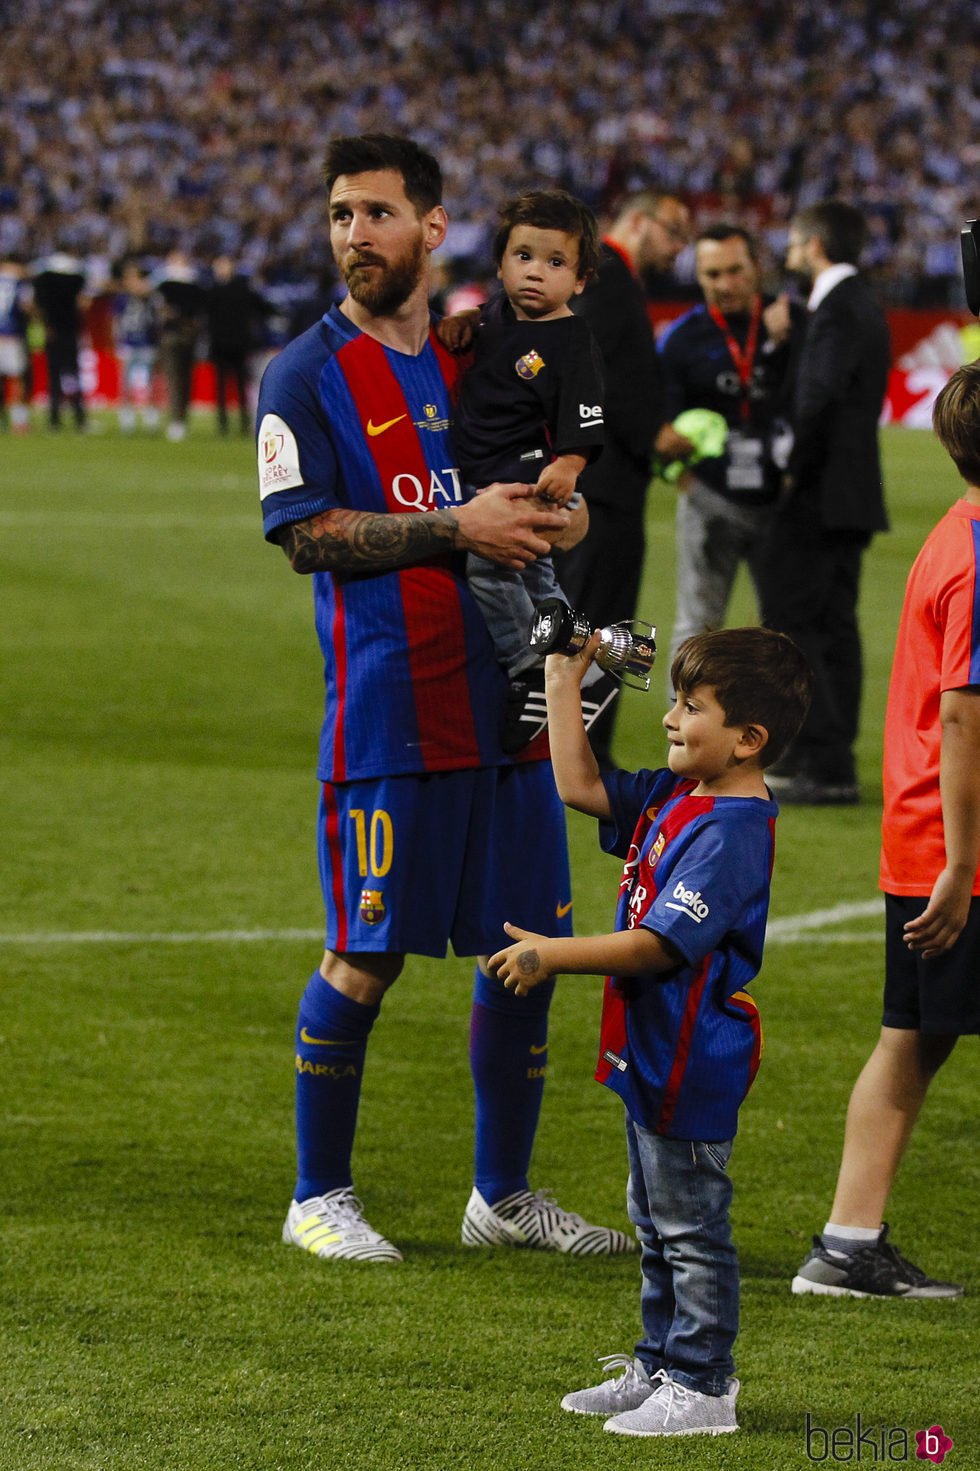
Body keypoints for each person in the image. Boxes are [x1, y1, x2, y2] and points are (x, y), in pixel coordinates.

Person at [256, 132, 636, 1264]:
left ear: (432, 227)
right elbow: (305, 536)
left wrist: (548, 517)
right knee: (363, 953)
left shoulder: (485, 352)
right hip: (389, 707)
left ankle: (500, 1196)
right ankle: (316, 1194)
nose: (353, 235)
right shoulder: (303, 375)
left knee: (525, 948)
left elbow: (538, 482)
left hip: (509, 705)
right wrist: (451, 526)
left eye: (375, 213)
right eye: (337, 215)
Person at [491, 625, 812, 1437]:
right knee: (653, 1217)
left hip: (691, 1059)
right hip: (651, 1050)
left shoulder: (734, 832)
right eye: (673, 698)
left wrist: (551, 953)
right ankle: (660, 1361)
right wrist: (565, 679)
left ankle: (703, 1384)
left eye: (691, 705)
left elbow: (659, 944)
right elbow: (579, 785)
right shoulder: (684, 794)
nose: (670, 718)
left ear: (748, 739)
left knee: (691, 1227)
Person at [790, 362, 980, 1301]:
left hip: (922, 834)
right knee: (910, 1036)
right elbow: (960, 717)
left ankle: (846, 1241)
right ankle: (844, 1244)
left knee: (911, 1036)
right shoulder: (979, 556)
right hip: (956, 850)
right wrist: (962, 865)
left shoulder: (956, 534)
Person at [450, 189, 608, 752]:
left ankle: (528, 669)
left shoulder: (572, 338)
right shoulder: (495, 314)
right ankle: (583, 670)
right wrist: (465, 321)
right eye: (523, 257)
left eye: (555, 262)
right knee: (536, 580)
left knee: (489, 566)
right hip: (490, 473)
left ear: (581, 279)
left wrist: (569, 463)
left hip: (531, 477)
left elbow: (587, 414)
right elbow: (488, 328)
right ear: (499, 263)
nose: (535, 273)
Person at [554, 190, 692, 768]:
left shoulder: (609, 280)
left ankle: (574, 743)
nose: (679, 247)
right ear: (637, 221)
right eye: (673, 230)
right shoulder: (608, 279)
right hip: (605, 486)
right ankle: (577, 751)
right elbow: (594, 372)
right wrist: (651, 431)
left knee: (591, 621)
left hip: (607, 483)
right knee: (596, 622)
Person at [759, 200, 890, 805]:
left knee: (798, 622)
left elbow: (818, 400)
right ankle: (833, 761)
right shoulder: (859, 304)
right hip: (852, 494)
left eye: (792, 243)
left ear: (814, 245)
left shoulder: (834, 309)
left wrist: (790, 473)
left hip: (818, 493)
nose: (787, 253)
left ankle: (816, 757)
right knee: (836, 625)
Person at [657, 225, 805, 668]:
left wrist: (786, 345)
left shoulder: (791, 324)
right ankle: (682, 733)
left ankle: (778, 736)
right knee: (697, 626)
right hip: (710, 497)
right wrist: (685, 476)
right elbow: (662, 419)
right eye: (712, 274)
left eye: (735, 270)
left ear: (756, 268)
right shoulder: (681, 338)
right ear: (699, 277)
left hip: (782, 501)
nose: (725, 284)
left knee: (786, 630)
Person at [206, 255, 270, 435]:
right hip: (227, 344)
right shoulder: (221, 291)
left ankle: (238, 423)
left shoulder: (233, 290)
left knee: (238, 385)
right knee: (226, 386)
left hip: (235, 344)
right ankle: (226, 423)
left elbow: (262, 308)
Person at [32, 250, 89, 430]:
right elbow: (84, 303)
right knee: (72, 374)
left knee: (54, 377)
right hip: (70, 330)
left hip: (52, 331)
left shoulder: (44, 276)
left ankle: (54, 419)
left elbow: (37, 305)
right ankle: (79, 418)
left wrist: (47, 323)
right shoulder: (77, 276)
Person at [153, 249, 205, 441]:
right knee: (186, 379)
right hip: (190, 335)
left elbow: (161, 309)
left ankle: (176, 420)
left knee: (174, 379)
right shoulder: (196, 284)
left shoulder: (165, 283)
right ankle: (181, 419)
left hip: (171, 335)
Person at [112, 258, 161, 433]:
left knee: (150, 383)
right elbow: (116, 320)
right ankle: (127, 418)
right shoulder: (121, 298)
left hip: (147, 343)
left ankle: (150, 417)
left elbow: (157, 314)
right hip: (128, 343)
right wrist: (116, 341)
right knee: (126, 384)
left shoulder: (151, 296)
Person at [0, 256, 32, 432]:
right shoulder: (20, 284)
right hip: (11, 337)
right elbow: (26, 306)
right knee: (17, 378)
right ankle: (19, 421)